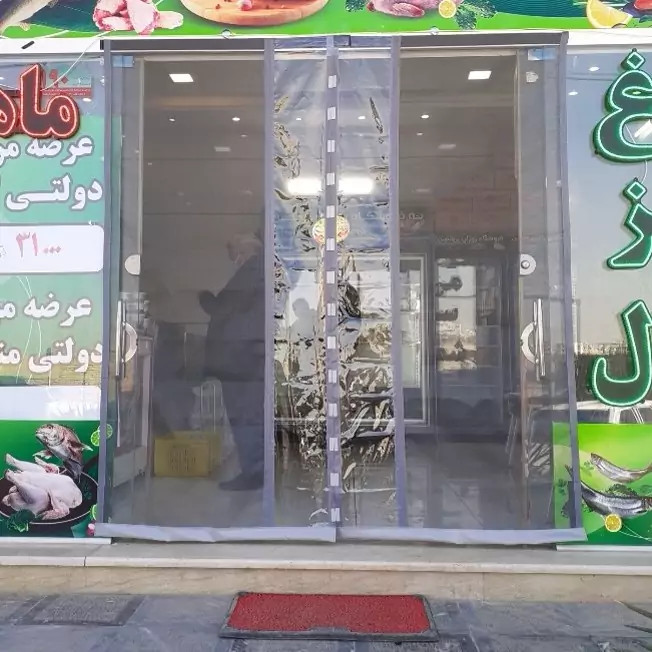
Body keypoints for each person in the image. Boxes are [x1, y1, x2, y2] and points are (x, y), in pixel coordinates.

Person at [199, 233, 265, 491]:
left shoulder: (251, 272)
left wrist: (205, 297)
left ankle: (254, 472)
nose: (233, 258)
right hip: (247, 357)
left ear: (244, 251)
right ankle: (255, 470)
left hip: (240, 360)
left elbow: (223, 307)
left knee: (245, 416)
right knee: (249, 415)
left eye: (234, 252)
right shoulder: (259, 273)